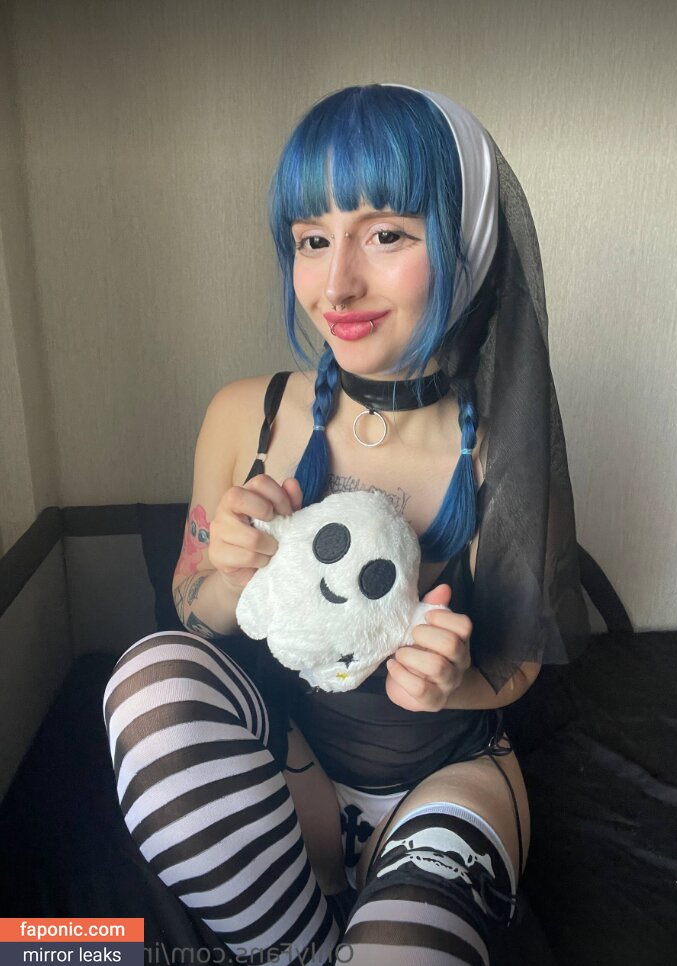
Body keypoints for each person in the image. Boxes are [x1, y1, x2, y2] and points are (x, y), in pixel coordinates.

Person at [103, 84, 589, 965]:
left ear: (468, 246)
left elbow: (517, 663)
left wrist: (448, 684)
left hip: (448, 780)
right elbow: (189, 606)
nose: (337, 285)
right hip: (290, 773)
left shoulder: (507, 447)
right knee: (147, 678)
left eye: (387, 234)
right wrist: (227, 575)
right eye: (312, 240)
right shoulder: (244, 416)